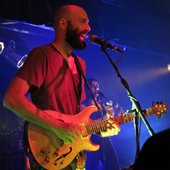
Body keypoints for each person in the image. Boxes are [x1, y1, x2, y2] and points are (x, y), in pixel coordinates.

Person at [3, 4, 120, 170]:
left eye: (88, 23)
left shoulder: (80, 64)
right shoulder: (42, 55)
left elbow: (77, 112)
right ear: (63, 23)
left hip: (75, 154)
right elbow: (11, 99)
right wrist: (58, 127)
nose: (88, 28)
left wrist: (101, 128)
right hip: (49, 149)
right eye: (82, 21)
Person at [81, 78, 121, 170]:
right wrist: (105, 117)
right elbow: (87, 125)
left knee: (114, 166)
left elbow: (109, 123)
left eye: (98, 86)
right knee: (91, 167)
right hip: (90, 140)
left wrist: (118, 118)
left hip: (105, 139)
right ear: (87, 88)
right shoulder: (83, 106)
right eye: (93, 86)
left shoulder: (102, 105)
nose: (97, 88)